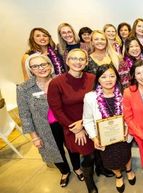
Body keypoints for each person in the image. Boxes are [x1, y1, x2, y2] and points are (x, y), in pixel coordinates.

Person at [17, 53, 84, 188]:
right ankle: (64, 171)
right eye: (35, 66)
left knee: (73, 147)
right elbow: (24, 114)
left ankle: (77, 168)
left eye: (43, 64)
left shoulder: (61, 80)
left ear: (50, 65)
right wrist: (34, 137)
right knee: (53, 149)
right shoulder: (24, 88)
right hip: (44, 127)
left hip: (66, 122)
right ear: (30, 69)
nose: (41, 68)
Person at [47, 49, 97, 193]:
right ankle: (90, 182)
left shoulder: (92, 78)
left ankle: (101, 169)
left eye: (82, 59)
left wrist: (84, 122)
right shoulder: (56, 83)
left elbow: (98, 100)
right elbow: (57, 110)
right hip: (72, 126)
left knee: (98, 149)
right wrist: (76, 128)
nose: (78, 62)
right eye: (74, 58)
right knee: (88, 154)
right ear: (67, 61)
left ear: (86, 62)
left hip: (91, 121)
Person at [83, 64, 135, 193]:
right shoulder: (90, 97)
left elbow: (132, 114)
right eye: (104, 76)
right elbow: (87, 120)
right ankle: (118, 175)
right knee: (110, 161)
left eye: (112, 76)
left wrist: (128, 128)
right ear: (98, 79)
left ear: (117, 78)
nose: (108, 79)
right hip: (104, 138)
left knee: (126, 154)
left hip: (123, 134)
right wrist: (94, 137)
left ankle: (129, 170)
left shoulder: (125, 93)